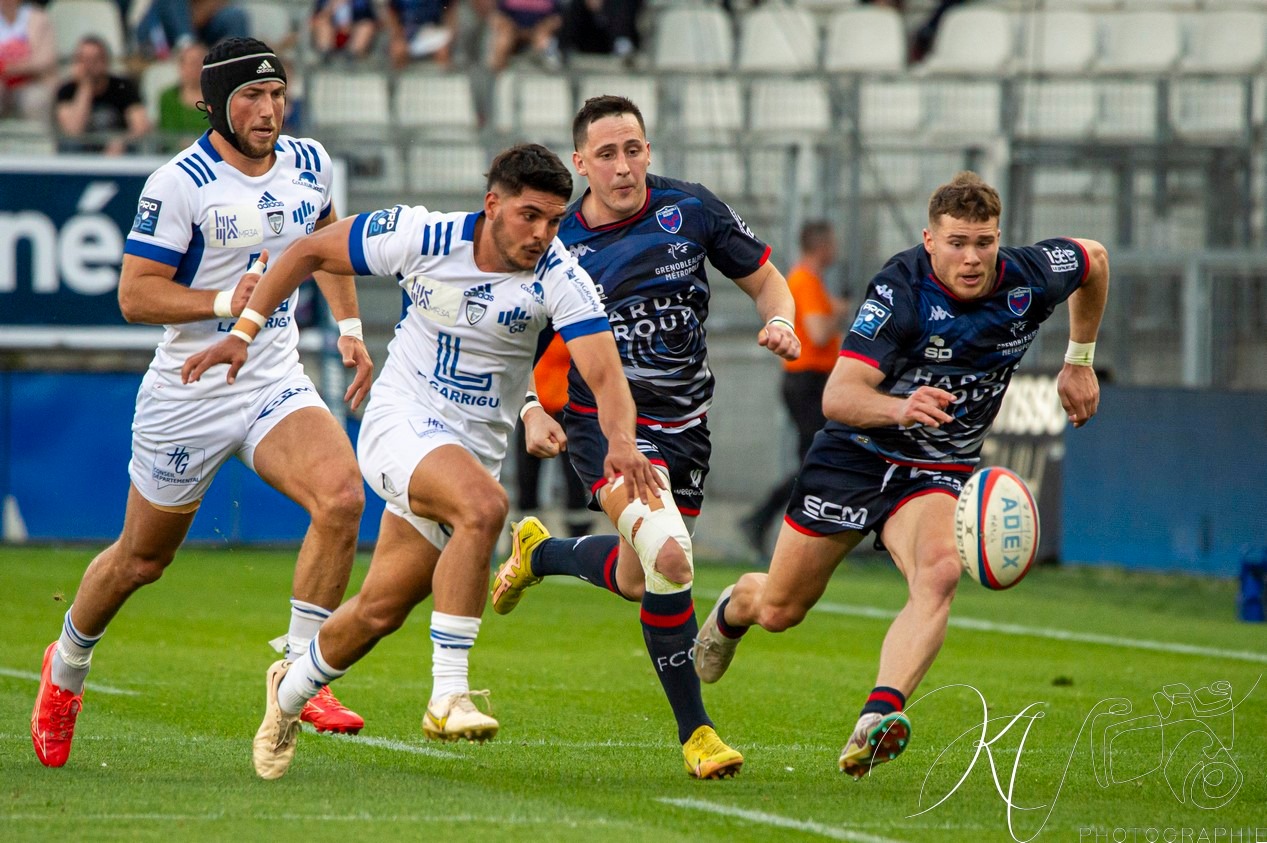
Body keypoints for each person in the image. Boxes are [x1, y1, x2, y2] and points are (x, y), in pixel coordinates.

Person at [181, 142, 660, 781]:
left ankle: (287, 694)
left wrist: (623, 441)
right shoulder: (420, 234)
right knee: (486, 508)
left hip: (467, 452)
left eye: (552, 219)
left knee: (380, 609)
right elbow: (305, 252)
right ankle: (448, 695)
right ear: (492, 205)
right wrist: (243, 334)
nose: (542, 233)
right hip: (400, 425)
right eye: (528, 216)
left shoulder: (562, 277)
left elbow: (605, 377)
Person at [692, 171, 1110, 778]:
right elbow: (838, 396)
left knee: (939, 574)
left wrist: (1079, 360)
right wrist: (900, 406)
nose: (972, 258)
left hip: (937, 464)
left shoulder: (1029, 276)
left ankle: (875, 720)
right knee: (781, 610)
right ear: (929, 241)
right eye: (957, 243)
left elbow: (1094, 260)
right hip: (857, 452)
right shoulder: (901, 289)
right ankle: (736, 607)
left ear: (1000, 239)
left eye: (984, 242)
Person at [30, 37, 373, 770]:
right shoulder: (179, 182)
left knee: (343, 495)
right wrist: (224, 299)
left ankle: (301, 671)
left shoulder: (308, 161)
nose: (268, 109)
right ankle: (66, 668)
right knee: (140, 560)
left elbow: (324, 242)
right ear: (213, 103)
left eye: (277, 94)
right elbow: (133, 294)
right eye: (251, 96)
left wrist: (348, 327)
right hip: (190, 389)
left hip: (273, 375)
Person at [490, 95, 801, 779]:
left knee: (641, 577)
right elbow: (507, 344)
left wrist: (782, 321)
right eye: (606, 153)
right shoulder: (559, 244)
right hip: (603, 427)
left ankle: (539, 554)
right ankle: (698, 734)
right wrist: (528, 411)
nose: (623, 165)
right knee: (672, 556)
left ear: (648, 151)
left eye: (633, 149)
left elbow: (768, 281)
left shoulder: (690, 211)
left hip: (686, 429)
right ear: (580, 163)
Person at [740, 220, 850, 555]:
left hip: (813, 380)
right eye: (831, 242)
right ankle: (771, 521)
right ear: (821, 246)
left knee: (815, 459)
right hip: (807, 381)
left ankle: (772, 522)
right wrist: (841, 310)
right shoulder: (804, 280)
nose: (836, 249)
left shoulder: (810, 280)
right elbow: (817, 332)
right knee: (815, 460)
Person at [516, 333, 592, 537]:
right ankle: (524, 536)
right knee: (526, 475)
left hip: (565, 405)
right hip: (534, 405)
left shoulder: (567, 320)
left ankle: (578, 535)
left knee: (574, 475)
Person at [55, 36, 153, 155]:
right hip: (80, 156)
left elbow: (141, 126)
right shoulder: (66, 90)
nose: (89, 66)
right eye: (83, 60)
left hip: (118, 154)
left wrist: (122, 141)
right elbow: (73, 131)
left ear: (105, 61)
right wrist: (85, 86)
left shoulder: (123, 86)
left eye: (94, 59)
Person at [0, 0, 56, 122]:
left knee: (35, 100)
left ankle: (39, 140)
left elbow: (45, 60)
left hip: (33, 81)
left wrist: (8, 68)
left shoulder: (38, 18)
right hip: (2, 82)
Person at [157, 42, 208, 151]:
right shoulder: (168, 97)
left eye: (202, 63)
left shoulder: (219, 98)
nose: (198, 68)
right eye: (193, 63)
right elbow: (167, 133)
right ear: (181, 66)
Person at [488, 0, 562, 73]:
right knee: (503, 42)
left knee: (545, 43)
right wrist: (508, 27)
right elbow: (497, 16)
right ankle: (497, 74)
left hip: (539, 31)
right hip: (512, 30)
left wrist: (545, 27)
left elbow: (557, 18)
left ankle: (549, 71)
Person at [311, 0, 379, 61]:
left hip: (352, 32)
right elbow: (317, 15)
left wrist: (350, 26)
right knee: (321, 22)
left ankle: (352, 57)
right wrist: (331, 7)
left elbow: (368, 17)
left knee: (366, 26)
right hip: (332, 32)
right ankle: (325, 55)